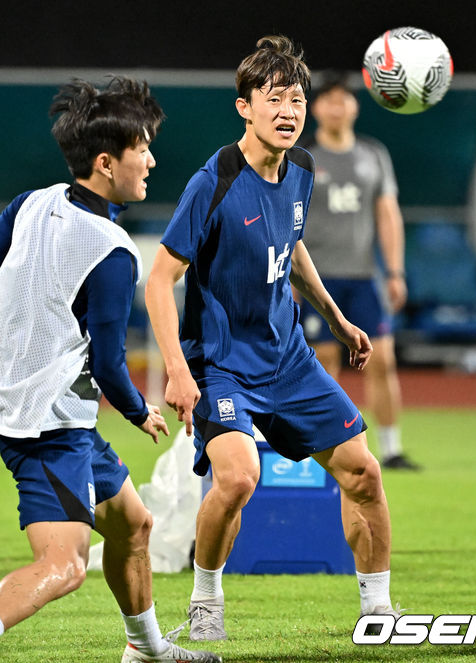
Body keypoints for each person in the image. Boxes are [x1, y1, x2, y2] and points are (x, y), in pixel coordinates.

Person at [145, 36, 401, 642]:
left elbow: (291, 245)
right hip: (221, 364)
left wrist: (335, 317)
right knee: (236, 477)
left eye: (296, 98)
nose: (288, 110)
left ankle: (379, 612)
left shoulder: (302, 170)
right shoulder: (214, 181)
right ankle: (206, 599)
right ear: (245, 107)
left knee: (364, 473)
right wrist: (178, 372)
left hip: (288, 359)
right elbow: (160, 281)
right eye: (273, 98)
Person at [0, 77, 220, 663]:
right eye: (141, 148)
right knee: (64, 565)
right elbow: (107, 360)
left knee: (134, 526)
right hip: (43, 428)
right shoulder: (111, 249)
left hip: (50, 413)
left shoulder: (28, 203)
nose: (150, 159)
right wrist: (137, 410)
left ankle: (146, 650)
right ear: (105, 162)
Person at [299, 72, 420, 470]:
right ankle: (327, 449)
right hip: (318, 281)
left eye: (344, 99)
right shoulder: (303, 156)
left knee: (383, 361)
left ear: (355, 106)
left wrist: (395, 271)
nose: (337, 106)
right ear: (315, 108)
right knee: (325, 365)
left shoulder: (373, 154)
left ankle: (392, 448)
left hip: (364, 277)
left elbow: (388, 214)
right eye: (329, 99)